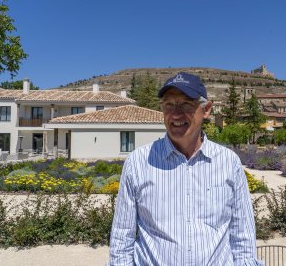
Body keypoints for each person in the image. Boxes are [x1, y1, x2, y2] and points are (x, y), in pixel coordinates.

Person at [109, 72, 262, 265]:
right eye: (169, 105)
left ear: (206, 110)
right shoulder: (138, 163)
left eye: (186, 104)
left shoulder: (228, 162)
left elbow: (243, 236)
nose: (176, 114)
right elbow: (122, 238)